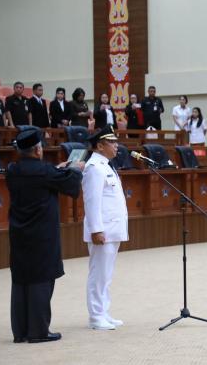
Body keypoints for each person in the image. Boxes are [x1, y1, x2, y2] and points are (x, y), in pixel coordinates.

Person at [6, 129, 83, 343]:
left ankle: (20, 331)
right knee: (41, 279)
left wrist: (56, 170)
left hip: (19, 234)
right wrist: (75, 170)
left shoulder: (12, 170)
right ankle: (38, 332)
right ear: (38, 149)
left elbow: (43, 176)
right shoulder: (45, 172)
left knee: (21, 280)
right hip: (42, 235)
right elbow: (69, 184)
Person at [83, 125, 129, 330]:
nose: (116, 146)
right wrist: (96, 230)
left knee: (106, 275)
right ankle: (95, 317)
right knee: (98, 275)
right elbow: (91, 201)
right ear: (100, 146)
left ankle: (104, 312)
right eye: (112, 142)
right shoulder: (94, 167)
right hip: (103, 231)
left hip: (113, 228)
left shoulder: (107, 165)